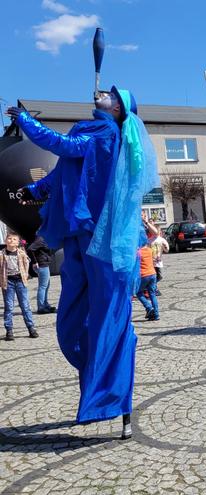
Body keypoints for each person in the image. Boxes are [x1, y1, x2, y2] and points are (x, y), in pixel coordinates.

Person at [9, 81, 158, 439]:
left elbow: (64, 145)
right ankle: (97, 390)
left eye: (111, 94)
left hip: (102, 238)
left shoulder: (104, 132)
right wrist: (34, 191)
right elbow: (66, 170)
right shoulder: (90, 128)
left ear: (117, 109)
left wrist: (28, 123)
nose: (102, 93)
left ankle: (116, 402)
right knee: (75, 321)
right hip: (79, 236)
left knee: (110, 320)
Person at [1, 232, 38, 341]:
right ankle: (9, 330)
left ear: (18, 243)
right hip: (8, 282)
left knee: (25, 306)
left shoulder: (21, 253)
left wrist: (25, 276)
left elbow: (27, 264)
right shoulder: (1, 254)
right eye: (9, 238)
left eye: (14, 239)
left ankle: (31, 328)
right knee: (9, 307)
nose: (11, 240)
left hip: (20, 281)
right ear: (5, 240)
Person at [27, 235, 56, 314]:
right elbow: (30, 249)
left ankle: (45, 305)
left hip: (44, 264)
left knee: (46, 286)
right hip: (41, 264)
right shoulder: (41, 238)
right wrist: (34, 261)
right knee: (43, 286)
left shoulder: (44, 238)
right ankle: (41, 307)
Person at [136, 240, 159, 321]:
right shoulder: (149, 250)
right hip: (153, 274)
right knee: (152, 294)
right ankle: (156, 314)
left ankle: (149, 308)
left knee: (138, 292)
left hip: (143, 275)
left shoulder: (138, 252)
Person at [149, 229, 169, 294]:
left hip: (159, 261)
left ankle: (152, 287)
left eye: (158, 231)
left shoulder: (162, 240)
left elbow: (167, 250)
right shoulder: (150, 240)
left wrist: (164, 247)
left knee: (160, 276)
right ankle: (154, 289)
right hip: (151, 261)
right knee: (154, 276)